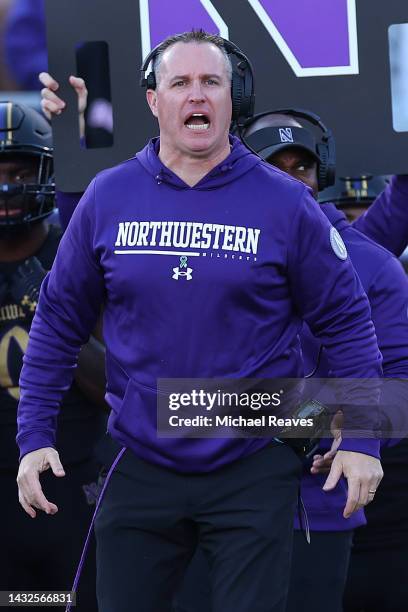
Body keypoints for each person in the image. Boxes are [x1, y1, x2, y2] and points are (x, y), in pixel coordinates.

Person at [17, 31, 383, 612]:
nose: (198, 96)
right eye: (180, 83)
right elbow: (58, 323)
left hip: (252, 464)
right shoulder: (109, 197)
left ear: (231, 98)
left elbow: (347, 321)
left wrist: (364, 437)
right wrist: (33, 436)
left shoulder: (286, 203)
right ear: (153, 100)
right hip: (142, 459)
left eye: (211, 82)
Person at [241, 110, 408, 612]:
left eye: (303, 168)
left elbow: (399, 392)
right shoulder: (203, 254)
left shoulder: (370, 262)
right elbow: (179, 407)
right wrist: (320, 412)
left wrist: (352, 420)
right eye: (276, 166)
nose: (294, 182)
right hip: (211, 507)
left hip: (317, 509)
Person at [0, 101, 107, 611]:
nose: (6, 188)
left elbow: (117, 385)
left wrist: (58, 319)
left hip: (76, 485)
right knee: (21, 605)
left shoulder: (80, 257)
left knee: (78, 604)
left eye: (18, 170)